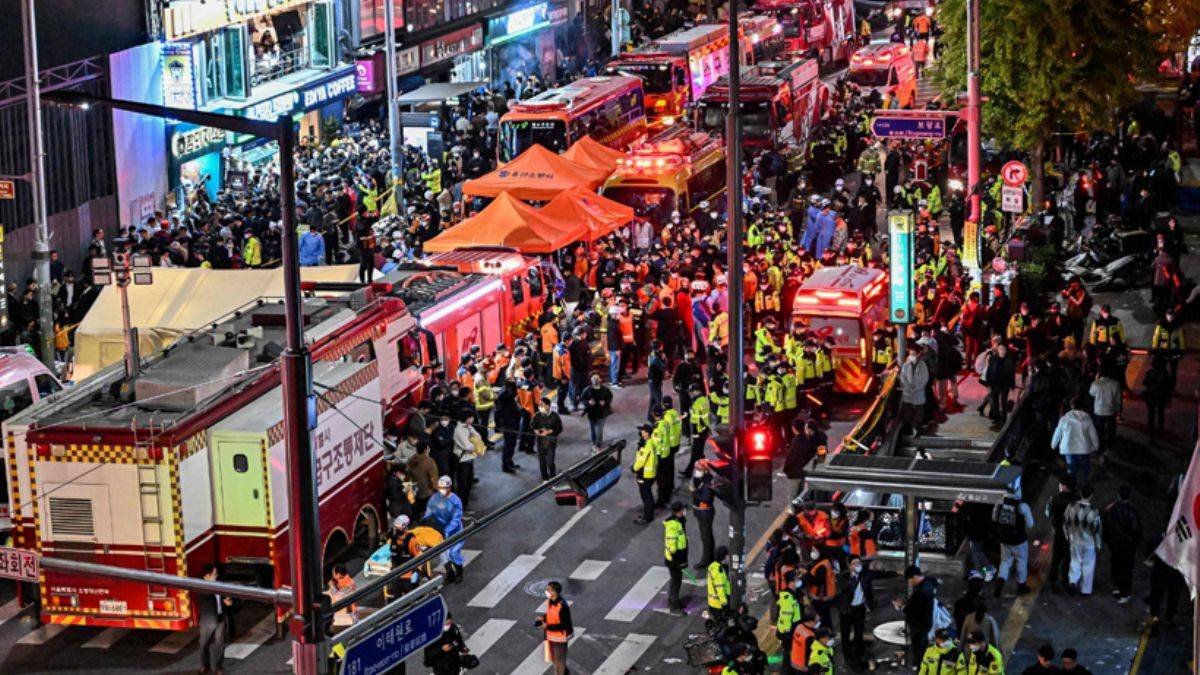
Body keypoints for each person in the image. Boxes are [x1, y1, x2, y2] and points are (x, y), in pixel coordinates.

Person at [1102, 484, 1141, 604]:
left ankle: (1117, 587)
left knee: (1115, 564)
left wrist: (1106, 538)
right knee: (1126, 568)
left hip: (1114, 543)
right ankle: (1125, 592)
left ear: (1118, 496)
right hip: (1127, 545)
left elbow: (1106, 525)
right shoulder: (1132, 512)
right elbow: (1136, 530)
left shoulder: (1111, 509)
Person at [992, 486, 1034, 596]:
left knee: (1005, 561)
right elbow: (1030, 524)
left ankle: (1000, 581)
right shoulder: (1022, 506)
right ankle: (1021, 586)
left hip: (1004, 539)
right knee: (1021, 561)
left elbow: (994, 518)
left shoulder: (1000, 502)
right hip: (1019, 540)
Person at [1063, 484, 1103, 595]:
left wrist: (1067, 536)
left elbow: (1065, 523)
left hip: (1074, 540)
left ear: (1080, 493)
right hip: (1089, 543)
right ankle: (1085, 590)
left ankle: (1073, 582)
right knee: (1088, 566)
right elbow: (1097, 530)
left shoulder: (1071, 506)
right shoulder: (1094, 511)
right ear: (1091, 496)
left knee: (1075, 562)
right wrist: (1098, 545)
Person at [426, 476, 466, 583]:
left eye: (445, 488)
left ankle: (459, 572)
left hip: (455, 532)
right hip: (441, 532)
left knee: (453, 553)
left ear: (449, 487)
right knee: (442, 554)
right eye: (440, 488)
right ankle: (450, 573)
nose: (442, 490)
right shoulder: (435, 499)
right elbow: (429, 511)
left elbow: (456, 519)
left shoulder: (455, 501)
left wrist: (446, 531)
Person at [1052, 399, 1100, 486]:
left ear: (1071, 406)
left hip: (1068, 448)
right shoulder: (1087, 418)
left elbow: (1057, 433)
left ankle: (1071, 485)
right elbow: (1093, 433)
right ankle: (1083, 482)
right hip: (1083, 449)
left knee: (1071, 467)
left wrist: (1053, 444)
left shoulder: (1064, 419)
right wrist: (1095, 446)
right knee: (1085, 466)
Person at [896, 565, 937, 665]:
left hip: (919, 625)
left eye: (909, 580)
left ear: (914, 577)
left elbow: (914, 610)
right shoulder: (929, 583)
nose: (909, 583)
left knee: (919, 648)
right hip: (926, 622)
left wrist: (901, 607)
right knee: (923, 644)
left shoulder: (921, 591)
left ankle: (920, 665)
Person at [1045, 476, 1078, 593]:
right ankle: (1066, 580)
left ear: (1064, 486)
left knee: (1056, 558)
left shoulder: (1054, 499)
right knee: (1068, 559)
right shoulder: (1076, 500)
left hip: (1059, 533)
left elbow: (1047, 513)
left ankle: (1052, 580)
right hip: (1072, 535)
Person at [199, 565, 233, 675]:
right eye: (214, 574)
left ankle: (218, 667)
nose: (216, 576)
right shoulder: (201, 587)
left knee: (220, 643)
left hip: (220, 617)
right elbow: (207, 597)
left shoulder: (218, 585)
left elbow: (226, 597)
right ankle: (205, 665)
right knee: (204, 643)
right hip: (208, 620)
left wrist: (229, 602)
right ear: (206, 576)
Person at [536, 581, 573, 675]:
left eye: (548, 590)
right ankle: (565, 672)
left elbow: (563, 625)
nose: (546, 591)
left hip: (560, 637)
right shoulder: (551, 601)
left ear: (554, 592)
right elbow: (551, 614)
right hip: (550, 635)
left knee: (559, 660)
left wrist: (546, 626)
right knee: (552, 657)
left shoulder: (562, 606)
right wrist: (543, 618)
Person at [981, 341, 1016, 424]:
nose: (1002, 351)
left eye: (1004, 349)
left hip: (1005, 384)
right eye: (1000, 349)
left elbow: (1012, 373)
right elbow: (989, 371)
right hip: (994, 384)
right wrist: (988, 384)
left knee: (1004, 402)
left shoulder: (1009, 360)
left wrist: (1012, 385)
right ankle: (997, 418)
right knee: (995, 401)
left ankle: (1003, 419)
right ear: (998, 350)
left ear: (1006, 350)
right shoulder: (993, 358)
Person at [664, 501, 689, 615]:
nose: (684, 511)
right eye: (683, 509)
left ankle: (673, 601)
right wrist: (677, 560)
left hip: (678, 557)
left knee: (676, 580)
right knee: (676, 581)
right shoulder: (672, 525)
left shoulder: (679, 521)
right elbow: (671, 544)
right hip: (674, 559)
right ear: (679, 511)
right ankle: (674, 607)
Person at [691, 460, 717, 569]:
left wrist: (694, 491)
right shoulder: (704, 479)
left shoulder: (707, 483)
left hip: (705, 513)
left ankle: (706, 560)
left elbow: (705, 499)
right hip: (701, 512)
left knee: (706, 537)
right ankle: (710, 556)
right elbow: (697, 482)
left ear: (705, 470)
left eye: (699, 469)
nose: (697, 471)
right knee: (707, 535)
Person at [899, 344, 930, 436]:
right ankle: (908, 429)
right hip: (907, 393)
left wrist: (916, 388)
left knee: (918, 413)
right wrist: (908, 387)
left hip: (919, 393)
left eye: (913, 354)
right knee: (907, 413)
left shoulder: (923, 365)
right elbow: (903, 378)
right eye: (910, 354)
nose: (911, 356)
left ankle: (916, 428)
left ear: (917, 354)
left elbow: (925, 379)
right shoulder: (906, 365)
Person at [531, 398, 563, 480]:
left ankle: (553, 478)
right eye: (540, 405)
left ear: (548, 406)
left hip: (551, 442)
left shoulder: (555, 416)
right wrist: (536, 431)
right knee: (542, 462)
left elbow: (559, 428)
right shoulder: (537, 415)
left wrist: (549, 431)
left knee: (550, 462)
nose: (540, 407)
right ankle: (545, 478)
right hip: (540, 441)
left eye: (542, 405)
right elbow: (532, 426)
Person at [633, 424, 659, 524]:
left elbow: (641, 460)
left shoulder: (647, 446)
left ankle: (647, 517)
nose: (641, 433)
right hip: (650, 473)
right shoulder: (651, 442)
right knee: (647, 494)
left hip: (644, 474)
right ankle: (647, 513)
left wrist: (634, 468)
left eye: (643, 431)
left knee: (646, 495)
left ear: (647, 433)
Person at [580, 375, 613, 450]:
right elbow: (582, 399)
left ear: (600, 380)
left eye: (597, 379)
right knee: (593, 429)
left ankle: (598, 443)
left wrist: (605, 402)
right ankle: (594, 442)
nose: (595, 380)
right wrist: (588, 402)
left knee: (599, 429)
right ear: (591, 381)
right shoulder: (587, 390)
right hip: (591, 413)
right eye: (594, 379)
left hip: (601, 413)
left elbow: (610, 397)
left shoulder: (605, 390)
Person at [707, 545, 732, 618]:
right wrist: (725, 604)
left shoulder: (713, 565)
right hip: (718, 604)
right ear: (724, 557)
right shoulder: (719, 572)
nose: (729, 557)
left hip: (712, 602)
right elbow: (720, 590)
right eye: (727, 555)